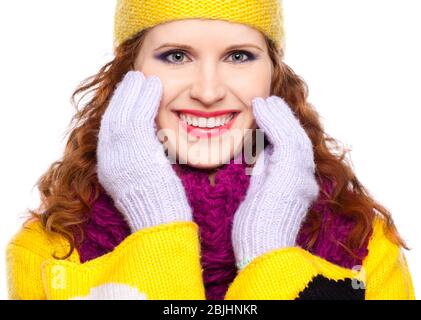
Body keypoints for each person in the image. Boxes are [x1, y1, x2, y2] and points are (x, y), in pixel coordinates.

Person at [6, 0, 415, 300]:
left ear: (273, 77)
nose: (207, 91)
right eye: (176, 56)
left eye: (239, 56)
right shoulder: (48, 250)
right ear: (127, 75)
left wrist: (270, 252)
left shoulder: (364, 245)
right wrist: (156, 218)